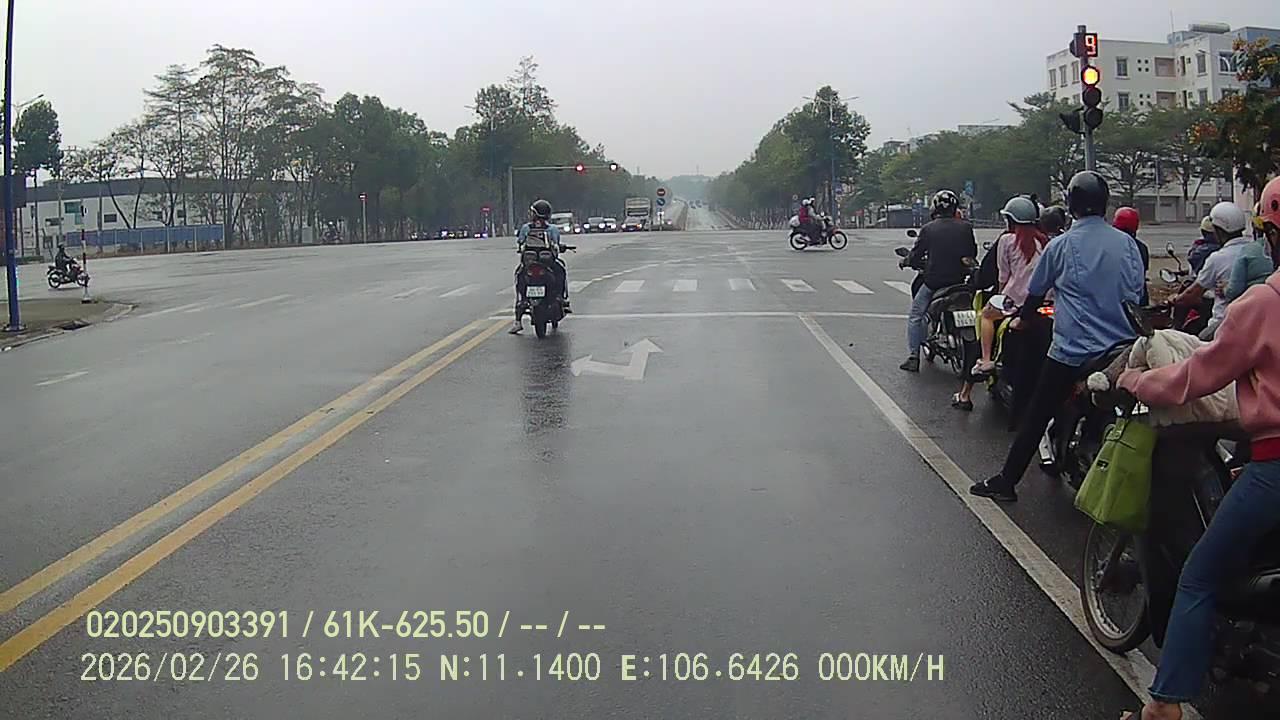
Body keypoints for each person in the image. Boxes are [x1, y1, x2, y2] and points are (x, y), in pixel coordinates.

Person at [1114, 177, 1280, 720]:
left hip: (1274, 466)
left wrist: (1135, 381)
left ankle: (1164, 706)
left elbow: (1198, 376)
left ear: (1269, 233)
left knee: (1199, 577)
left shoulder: (1264, 302)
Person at [970, 170, 1145, 502]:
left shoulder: (1061, 245)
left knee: (1036, 414)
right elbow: (1138, 296)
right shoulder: (1128, 245)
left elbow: (1035, 293)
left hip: (1074, 351)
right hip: (1122, 351)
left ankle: (1007, 482)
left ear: (1071, 205)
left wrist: (1023, 320)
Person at [969, 196, 1048, 382]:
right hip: (1042, 301)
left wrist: (999, 295)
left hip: (1014, 302)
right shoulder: (1044, 242)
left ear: (1011, 220)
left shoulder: (1006, 240)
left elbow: (1003, 276)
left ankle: (986, 360)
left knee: (986, 315)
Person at [899, 189, 978, 373]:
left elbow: (916, 255)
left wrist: (907, 261)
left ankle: (913, 356)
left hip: (934, 282)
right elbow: (972, 253)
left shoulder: (928, 229)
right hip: (959, 281)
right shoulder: (966, 227)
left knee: (916, 315)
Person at [1166, 201, 1251, 341]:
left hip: (1222, 324)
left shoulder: (1217, 258)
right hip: (1252, 322)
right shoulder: (1255, 250)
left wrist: (1176, 299)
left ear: (1218, 231)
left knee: (1195, 347)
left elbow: (1193, 293)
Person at [510, 199, 567, 335]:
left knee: (519, 276)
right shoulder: (552, 229)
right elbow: (556, 243)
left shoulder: (526, 228)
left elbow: (520, 241)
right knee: (561, 270)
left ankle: (518, 320)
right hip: (548, 265)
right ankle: (560, 297)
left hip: (529, 265)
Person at [1111, 206, 1150, 306]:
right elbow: (1142, 274)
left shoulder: (1107, 244)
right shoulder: (1141, 247)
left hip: (1113, 297)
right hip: (1136, 298)